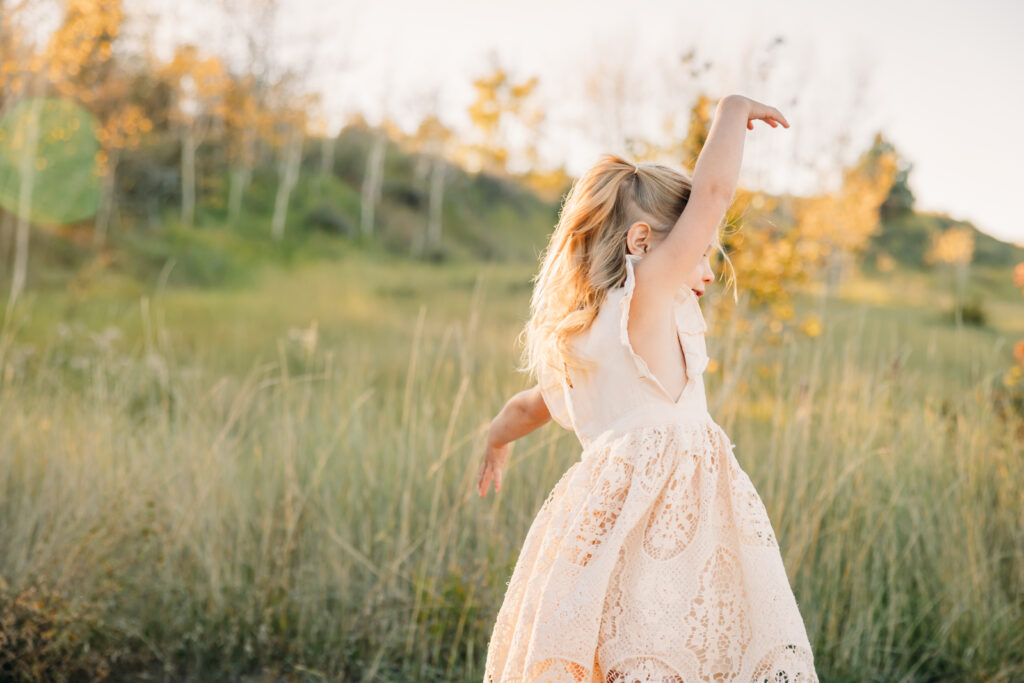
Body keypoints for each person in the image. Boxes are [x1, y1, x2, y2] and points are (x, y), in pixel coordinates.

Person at [476, 94, 819, 682]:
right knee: (682, 646)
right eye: (701, 251)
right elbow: (712, 195)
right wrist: (732, 112)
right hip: (672, 525)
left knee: (619, 651)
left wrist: (495, 441)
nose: (708, 270)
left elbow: (526, 408)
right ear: (642, 244)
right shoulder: (649, 296)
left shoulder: (581, 339)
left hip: (605, 530)